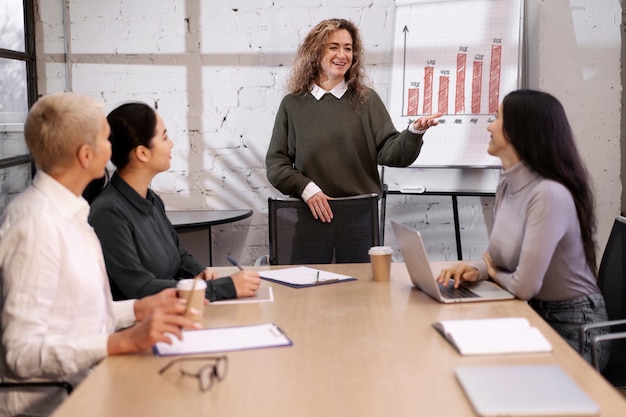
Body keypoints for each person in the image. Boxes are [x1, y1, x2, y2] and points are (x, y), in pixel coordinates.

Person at [0, 93, 198, 417]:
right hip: (56, 404)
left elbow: (76, 318)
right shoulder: (35, 225)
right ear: (86, 154)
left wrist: (137, 308)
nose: (113, 148)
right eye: (107, 138)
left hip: (90, 382)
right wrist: (117, 343)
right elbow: (20, 354)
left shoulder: (74, 216)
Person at [436, 89, 610, 369]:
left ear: (521, 130)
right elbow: (497, 260)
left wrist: (493, 272)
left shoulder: (548, 194)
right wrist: (476, 271)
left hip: (577, 327)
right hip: (536, 314)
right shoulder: (507, 185)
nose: (489, 125)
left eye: (497, 118)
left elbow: (525, 286)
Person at [265, 18, 441, 263]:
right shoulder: (293, 105)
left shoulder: (367, 100)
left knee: (362, 295)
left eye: (348, 48)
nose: (342, 54)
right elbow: (276, 164)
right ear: (316, 52)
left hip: (359, 220)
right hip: (310, 216)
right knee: (307, 295)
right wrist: (307, 189)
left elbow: (391, 154)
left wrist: (413, 132)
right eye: (333, 47)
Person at [87, 102, 260, 302]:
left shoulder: (152, 201)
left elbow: (179, 255)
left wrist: (198, 272)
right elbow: (139, 287)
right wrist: (223, 287)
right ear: (142, 153)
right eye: (164, 137)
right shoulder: (107, 212)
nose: (171, 144)